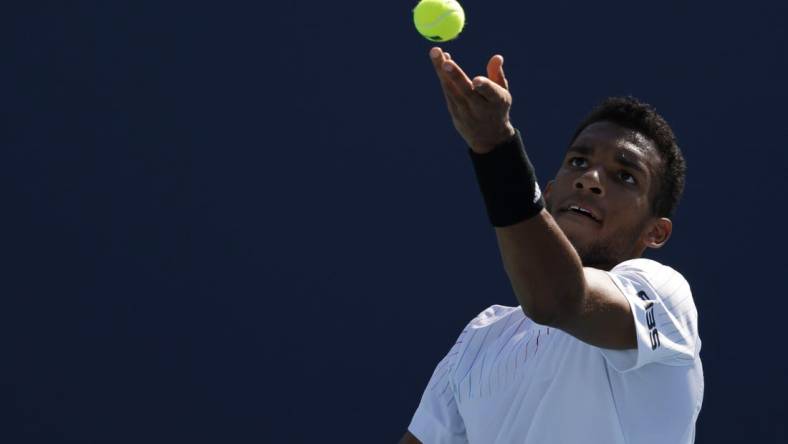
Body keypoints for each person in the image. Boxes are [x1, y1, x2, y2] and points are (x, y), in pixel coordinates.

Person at [398, 47, 704, 444]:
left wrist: (496, 149)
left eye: (625, 176)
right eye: (578, 162)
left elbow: (556, 300)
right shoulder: (479, 338)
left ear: (655, 232)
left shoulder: (664, 298)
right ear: (549, 191)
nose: (590, 178)